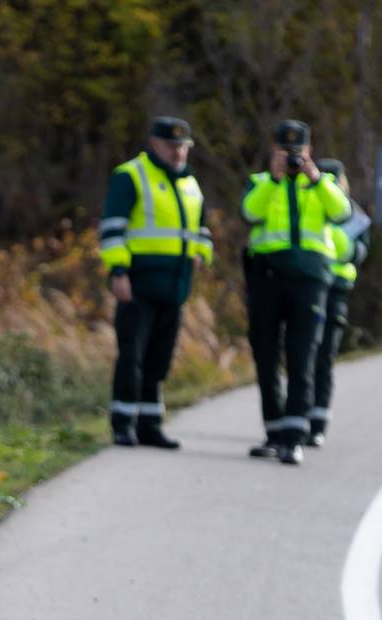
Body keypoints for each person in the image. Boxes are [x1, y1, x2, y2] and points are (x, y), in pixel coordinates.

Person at [241, 119, 351, 465]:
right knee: (267, 354)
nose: (291, 158)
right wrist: (274, 178)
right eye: (284, 151)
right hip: (268, 278)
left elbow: (342, 212)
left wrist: (316, 178)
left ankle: (294, 436)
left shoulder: (324, 185)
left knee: (303, 356)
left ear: (310, 152)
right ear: (272, 152)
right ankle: (273, 431)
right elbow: (249, 212)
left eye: (298, 152)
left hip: (310, 280)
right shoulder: (260, 183)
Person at [99, 116, 213, 448]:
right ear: (154, 144)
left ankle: (150, 424)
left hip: (176, 284)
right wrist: (118, 271)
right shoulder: (131, 176)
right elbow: (112, 228)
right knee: (132, 354)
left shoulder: (191, 184)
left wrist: (202, 254)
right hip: (138, 282)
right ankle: (123, 423)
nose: (178, 153)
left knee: (159, 359)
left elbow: (202, 230)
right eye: (171, 146)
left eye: (183, 147)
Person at [308, 158, 370, 446]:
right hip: (307, 288)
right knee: (303, 355)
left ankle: (318, 422)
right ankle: (298, 414)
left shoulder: (351, 214)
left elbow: (360, 251)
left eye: (337, 180)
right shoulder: (308, 203)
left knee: (324, 357)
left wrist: (338, 245)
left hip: (335, 291)